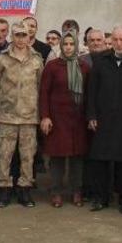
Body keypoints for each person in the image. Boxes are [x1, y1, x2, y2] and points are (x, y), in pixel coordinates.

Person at [0, 22, 43, 208]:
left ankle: (24, 190)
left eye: (24, 35)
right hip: (8, 117)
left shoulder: (37, 60)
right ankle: (3, 191)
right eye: (17, 35)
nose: (21, 39)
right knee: (4, 155)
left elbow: (40, 86)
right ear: (12, 37)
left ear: (29, 37)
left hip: (29, 117)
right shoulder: (2, 59)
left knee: (28, 156)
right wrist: (6, 102)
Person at [86, 27, 122, 213]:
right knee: (100, 160)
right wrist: (91, 115)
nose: (119, 43)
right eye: (115, 39)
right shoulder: (101, 61)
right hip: (103, 118)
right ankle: (101, 198)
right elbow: (92, 90)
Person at [39, 32, 90, 208]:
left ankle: (76, 191)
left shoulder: (84, 67)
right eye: (65, 44)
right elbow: (44, 93)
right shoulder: (52, 66)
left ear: (76, 46)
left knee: (77, 157)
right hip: (57, 118)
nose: (68, 47)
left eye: (71, 44)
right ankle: (56, 192)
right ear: (61, 46)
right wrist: (45, 116)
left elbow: (89, 93)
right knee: (57, 157)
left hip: (78, 119)